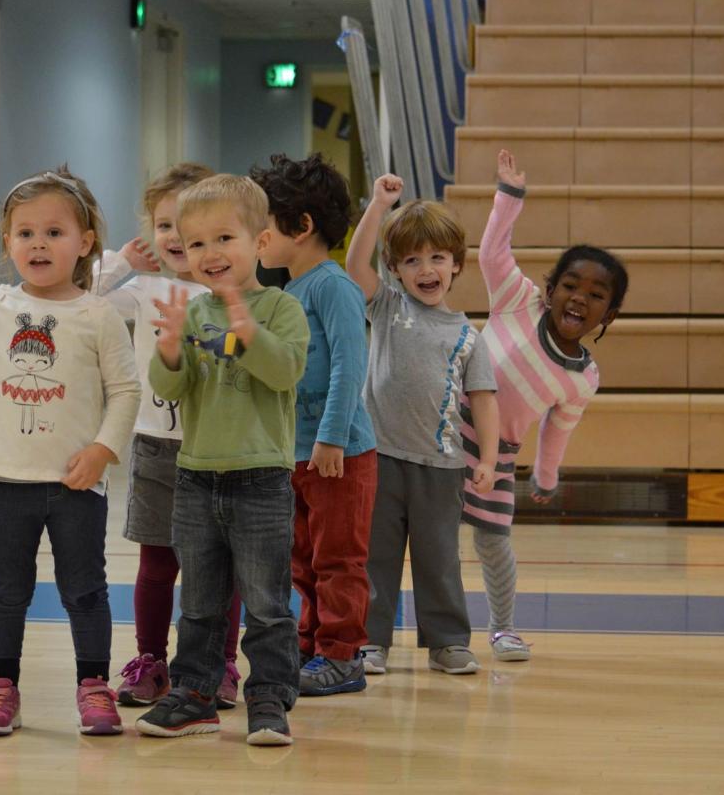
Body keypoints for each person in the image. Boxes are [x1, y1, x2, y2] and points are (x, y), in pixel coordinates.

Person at [0, 167, 141, 736]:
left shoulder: (98, 314)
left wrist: (103, 449)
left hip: (76, 484)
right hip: (3, 478)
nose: (38, 243)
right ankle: (0, 688)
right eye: (25, 233)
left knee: (85, 589)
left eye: (54, 233)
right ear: (9, 243)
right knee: (4, 591)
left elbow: (126, 391)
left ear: (84, 242)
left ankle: (94, 686)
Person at [135, 174, 307, 746]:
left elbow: (284, 372)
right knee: (201, 599)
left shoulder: (283, 309)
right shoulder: (192, 310)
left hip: (261, 479)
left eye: (225, 239)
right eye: (197, 243)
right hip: (197, 475)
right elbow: (172, 388)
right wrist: (168, 348)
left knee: (265, 601)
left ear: (259, 242)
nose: (211, 254)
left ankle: (269, 698)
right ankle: (194, 694)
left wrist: (246, 325)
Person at [462, 150, 628, 661]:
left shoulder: (584, 377)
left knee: (493, 543)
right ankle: (423, 634)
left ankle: (503, 628)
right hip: (441, 432)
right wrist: (508, 197)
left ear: (610, 314)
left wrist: (548, 476)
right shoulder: (518, 299)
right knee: (420, 536)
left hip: (498, 455)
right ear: (550, 289)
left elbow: (559, 428)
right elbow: (491, 252)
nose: (580, 298)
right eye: (571, 286)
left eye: (597, 294)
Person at [93, 163, 246, 709]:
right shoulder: (144, 289)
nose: (175, 236)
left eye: (188, 223)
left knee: (218, 567)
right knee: (157, 565)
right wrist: (119, 264)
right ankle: (151, 660)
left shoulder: (231, 294)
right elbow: (82, 300)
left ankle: (220, 663)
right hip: (156, 447)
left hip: (219, 450)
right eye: (163, 225)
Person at [344, 173, 500, 677]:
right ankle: (371, 641)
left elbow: (485, 401)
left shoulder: (469, 336)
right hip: (380, 459)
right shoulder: (387, 308)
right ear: (395, 269)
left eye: (436, 258)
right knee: (376, 558)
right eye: (411, 260)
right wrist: (377, 205)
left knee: (439, 561)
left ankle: (448, 641)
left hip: (441, 468)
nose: (425, 269)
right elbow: (354, 264)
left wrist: (490, 461)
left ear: (456, 264)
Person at [249, 153, 377, 696]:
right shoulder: (284, 292)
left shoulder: (333, 286)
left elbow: (351, 365)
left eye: (264, 225)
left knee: (338, 558)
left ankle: (342, 655)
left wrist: (330, 438)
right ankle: (310, 644)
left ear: (301, 227)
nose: (256, 238)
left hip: (339, 454)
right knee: (302, 556)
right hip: (294, 453)